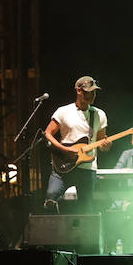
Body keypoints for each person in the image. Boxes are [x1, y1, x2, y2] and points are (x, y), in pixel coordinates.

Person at [43, 76, 111, 213]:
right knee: (51, 197)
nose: (92, 95)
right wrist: (64, 150)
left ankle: (83, 233)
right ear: (78, 91)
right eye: (88, 92)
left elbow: (101, 141)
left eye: (94, 92)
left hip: (87, 168)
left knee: (87, 208)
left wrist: (106, 145)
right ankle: (57, 229)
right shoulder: (63, 112)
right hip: (62, 165)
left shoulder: (99, 115)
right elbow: (48, 133)